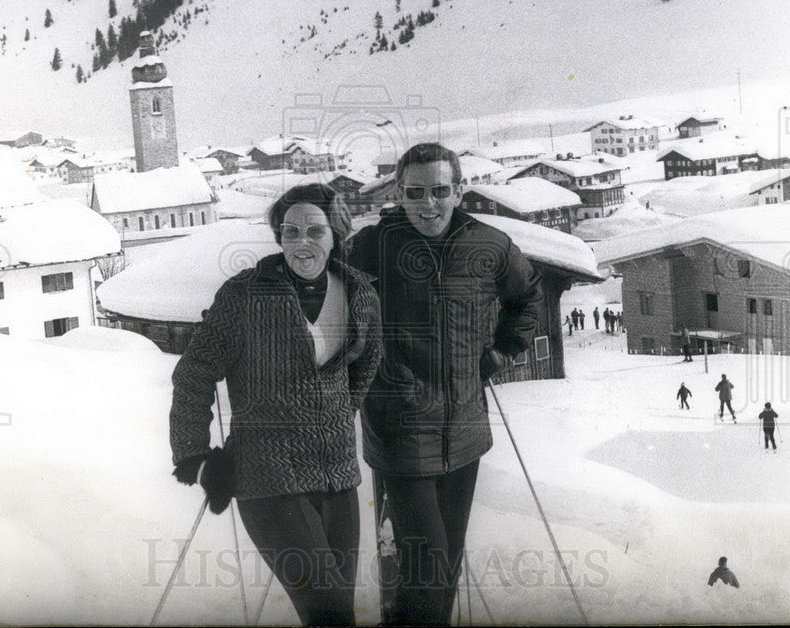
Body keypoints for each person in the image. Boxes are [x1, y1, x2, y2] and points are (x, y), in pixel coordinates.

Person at [347, 142, 545, 625]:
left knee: (444, 565)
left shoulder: (489, 245)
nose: (427, 204)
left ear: (459, 190)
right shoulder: (371, 246)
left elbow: (530, 297)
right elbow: (318, 293)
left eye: (439, 191)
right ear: (398, 193)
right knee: (425, 567)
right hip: (400, 429)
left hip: (464, 430)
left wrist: (500, 353)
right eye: (415, 193)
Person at [170, 184, 382, 626]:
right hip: (269, 478)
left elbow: (365, 363)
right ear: (278, 236)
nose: (301, 243)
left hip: (339, 477)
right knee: (331, 615)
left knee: (338, 611)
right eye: (290, 232)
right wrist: (195, 457)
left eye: (314, 231)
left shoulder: (360, 292)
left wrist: (337, 415)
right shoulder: (245, 295)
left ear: (335, 233)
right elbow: (194, 373)